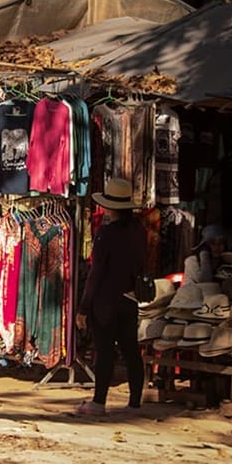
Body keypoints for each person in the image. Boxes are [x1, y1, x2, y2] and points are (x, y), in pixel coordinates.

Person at [75, 178, 147, 416]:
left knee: (105, 351)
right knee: (131, 351)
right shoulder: (139, 231)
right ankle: (135, 402)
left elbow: (96, 273)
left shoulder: (105, 234)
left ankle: (98, 402)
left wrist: (84, 308)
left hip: (105, 300)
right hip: (129, 297)